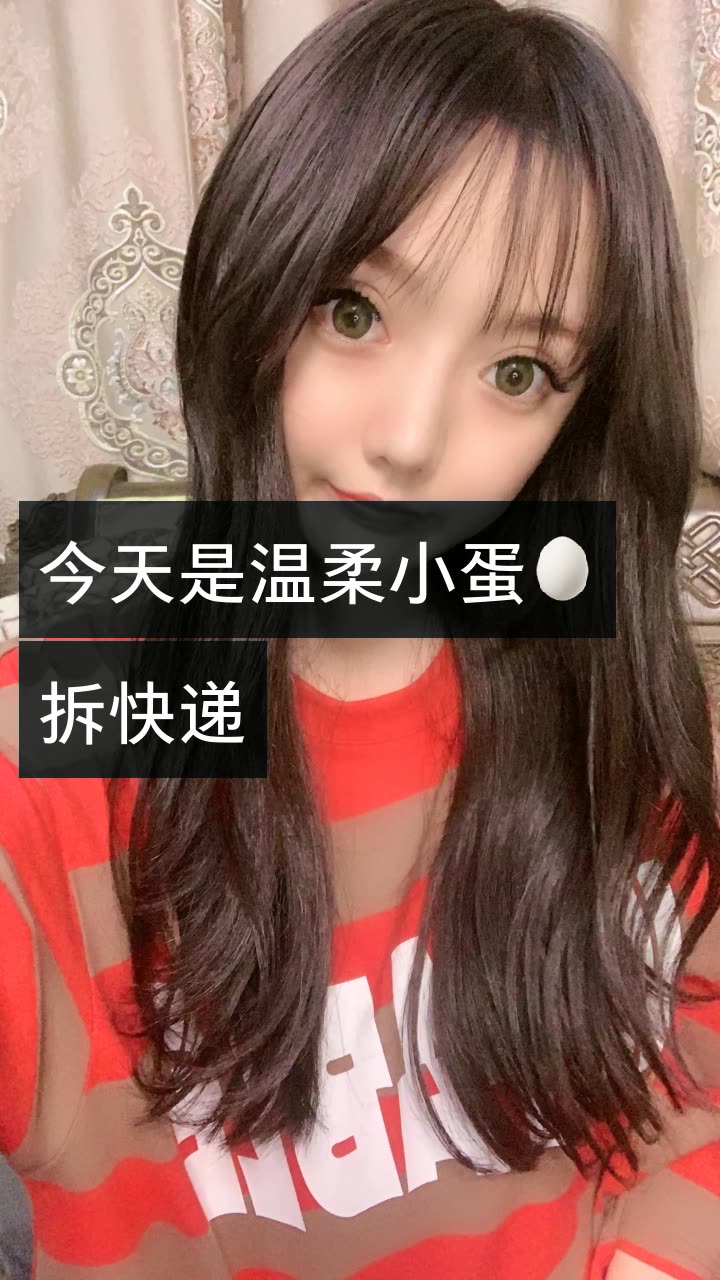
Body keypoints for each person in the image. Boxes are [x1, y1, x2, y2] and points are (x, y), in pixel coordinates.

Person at [1, 0, 720, 1276]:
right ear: (258, 281)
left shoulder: (602, 686)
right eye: (353, 310)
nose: (408, 439)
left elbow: (697, 1082)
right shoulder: (78, 701)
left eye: (518, 372)